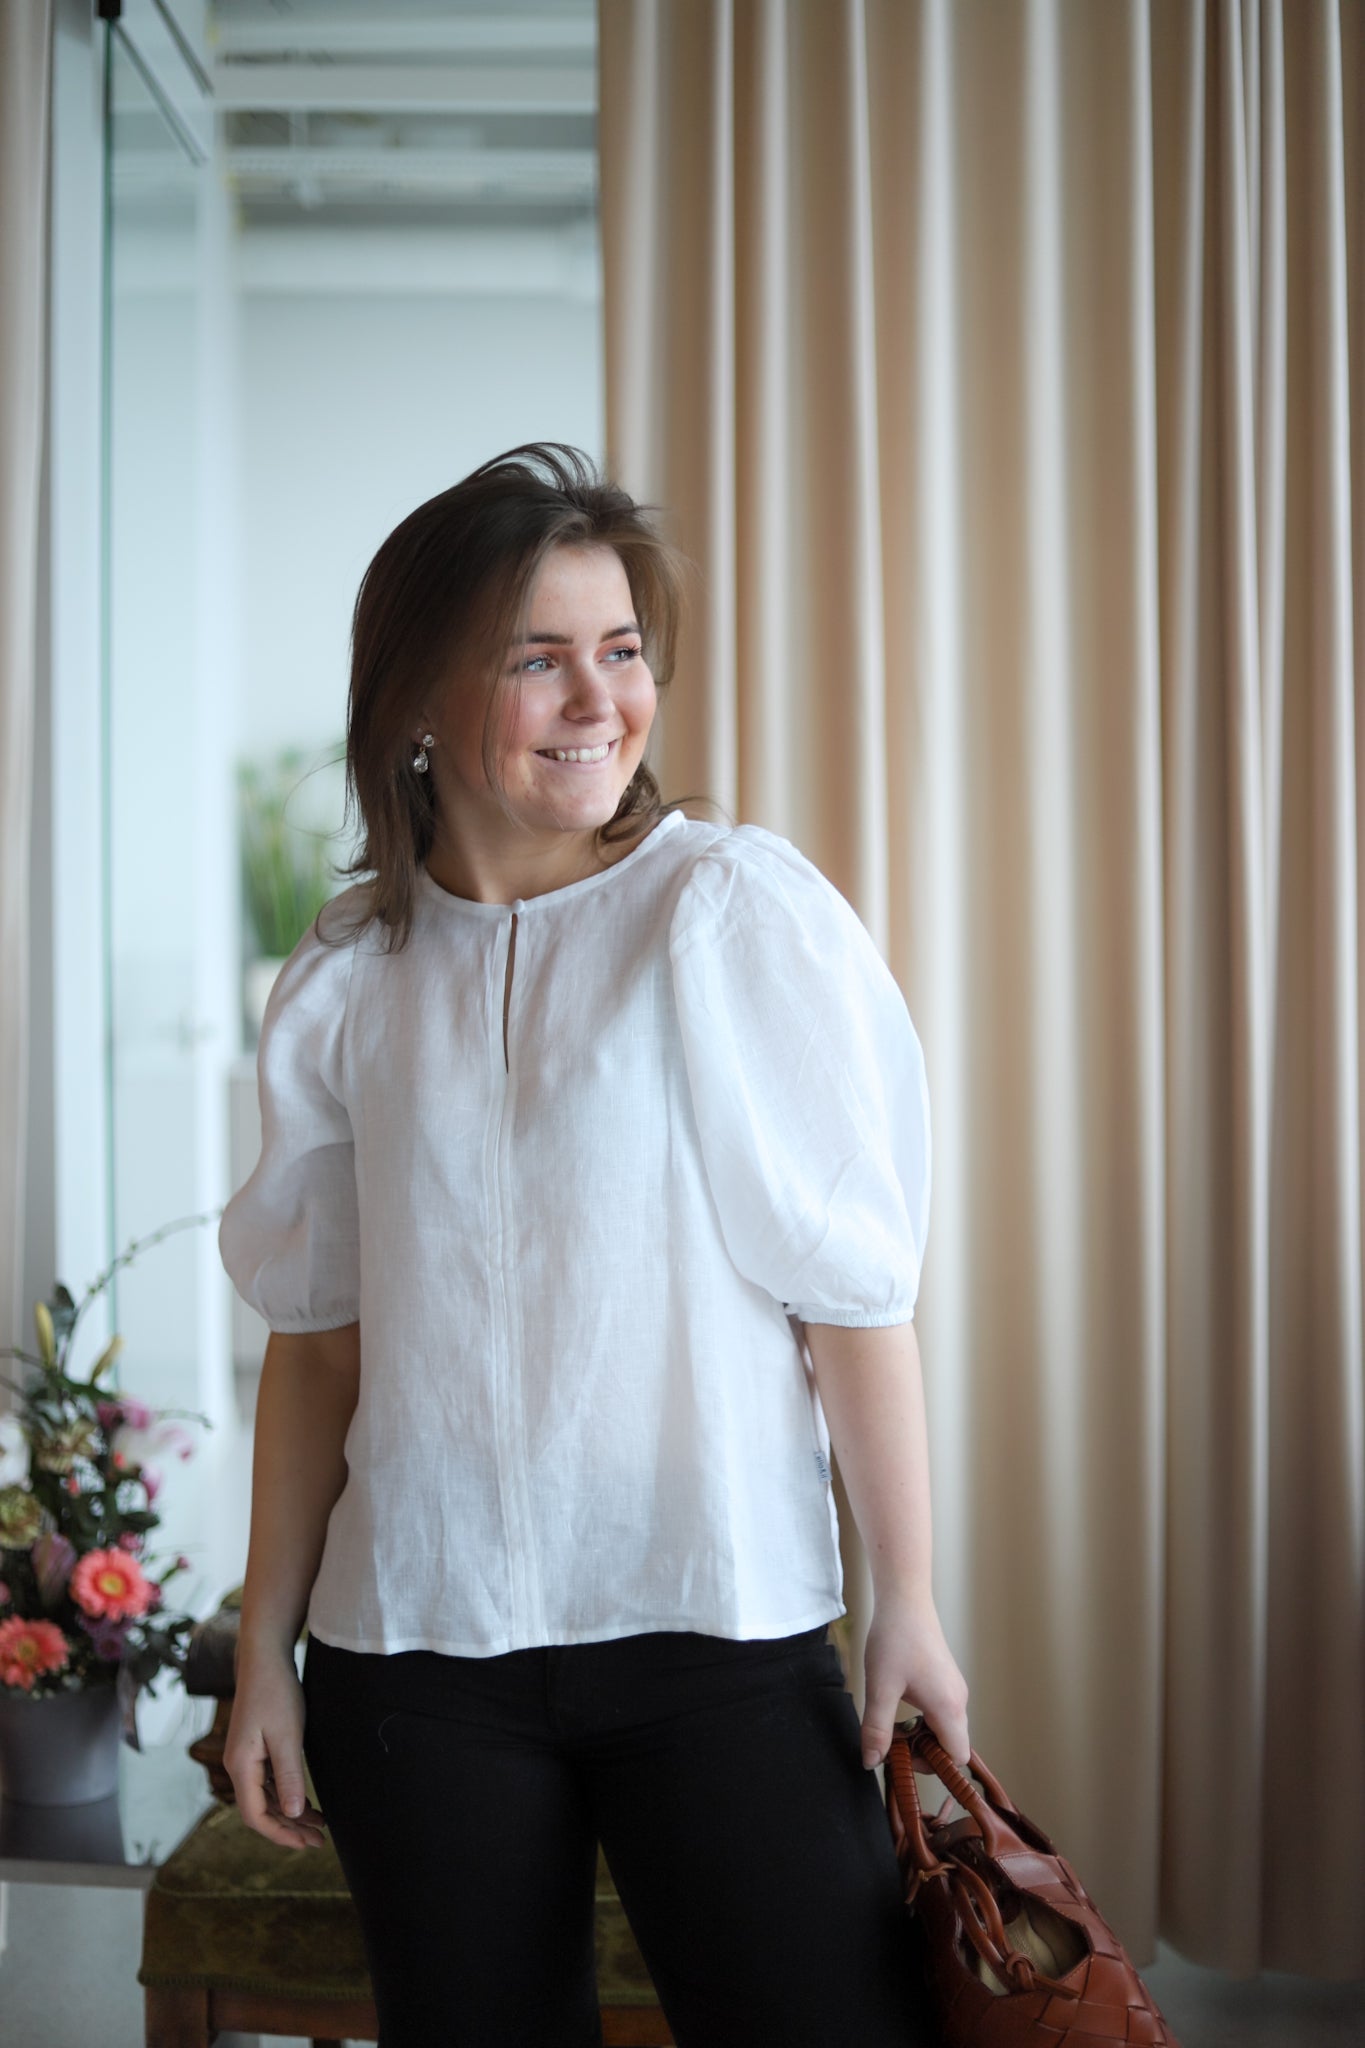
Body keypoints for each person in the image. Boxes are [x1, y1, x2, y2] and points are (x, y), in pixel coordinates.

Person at [218, 442, 970, 2048]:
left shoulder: (724, 912)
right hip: (414, 1654)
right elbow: (320, 1339)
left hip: (713, 1623)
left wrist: (903, 1593)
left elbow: (851, 1295)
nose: (598, 700)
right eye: (535, 659)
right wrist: (264, 1648)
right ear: (418, 701)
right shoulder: (348, 972)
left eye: (620, 650)